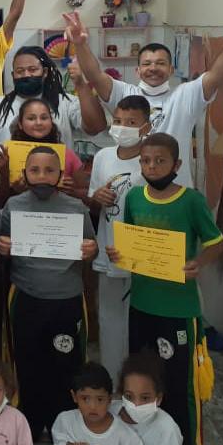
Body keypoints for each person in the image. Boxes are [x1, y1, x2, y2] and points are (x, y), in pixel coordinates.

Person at [106, 133, 223, 445]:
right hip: (142, 305)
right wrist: (119, 255)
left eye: (159, 161)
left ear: (176, 165)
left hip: (178, 311)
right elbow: (129, 242)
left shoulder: (191, 201)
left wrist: (198, 262)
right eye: (145, 161)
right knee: (142, 385)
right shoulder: (133, 197)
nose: (151, 167)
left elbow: (216, 242)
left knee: (181, 387)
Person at [63, 4, 223, 188]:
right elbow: (94, 75)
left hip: (175, 193)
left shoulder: (185, 95)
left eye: (160, 63)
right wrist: (80, 44)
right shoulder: (125, 94)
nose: (153, 68)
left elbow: (218, 74)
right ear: (137, 71)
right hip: (131, 192)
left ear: (171, 69)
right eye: (147, 64)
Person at [0, 146, 97, 438]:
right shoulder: (13, 206)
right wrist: (2, 247)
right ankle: (29, 419)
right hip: (26, 296)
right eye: (35, 170)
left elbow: (90, 247)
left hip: (66, 300)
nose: (42, 176)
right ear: (25, 173)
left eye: (49, 170)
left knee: (66, 363)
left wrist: (91, 251)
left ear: (61, 175)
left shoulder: (76, 208)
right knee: (27, 360)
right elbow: (3, 245)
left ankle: (63, 424)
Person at [86, 96, 152, 382]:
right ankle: (112, 381)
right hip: (108, 250)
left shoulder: (150, 160)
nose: (123, 128)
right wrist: (97, 198)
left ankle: (140, 383)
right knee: (110, 321)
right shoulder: (103, 157)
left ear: (146, 127)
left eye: (131, 123)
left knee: (139, 322)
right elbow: (93, 202)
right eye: (118, 121)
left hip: (143, 256)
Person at [0, 46, 106, 149]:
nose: (26, 75)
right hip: (8, 187)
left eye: (32, 70)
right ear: (13, 76)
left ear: (45, 73)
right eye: (20, 71)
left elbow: (96, 127)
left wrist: (80, 84)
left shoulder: (64, 102)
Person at [49, 363, 155, 445]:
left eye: (100, 399)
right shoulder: (64, 420)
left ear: (110, 399)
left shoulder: (121, 433)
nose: (93, 406)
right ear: (74, 397)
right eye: (85, 398)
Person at [96, 353, 184, 445]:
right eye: (129, 396)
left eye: (145, 398)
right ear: (121, 394)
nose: (136, 404)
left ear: (158, 398)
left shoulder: (167, 429)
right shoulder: (110, 413)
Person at [3, 98, 88, 200]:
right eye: (31, 118)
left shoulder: (67, 155)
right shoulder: (8, 156)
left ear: (51, 122)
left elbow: (87, 195)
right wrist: (14, 190)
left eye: (44, 118)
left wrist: (72, 191)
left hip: (59, 215)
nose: (38, 123)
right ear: (20, 124)